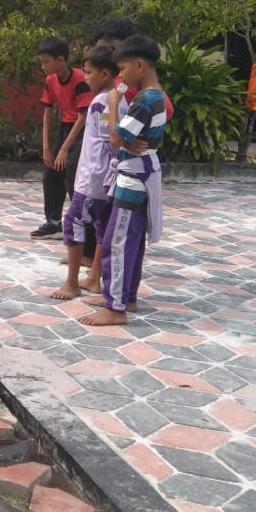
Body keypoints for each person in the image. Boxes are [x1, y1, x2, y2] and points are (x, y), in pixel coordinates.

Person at [81, 36, 167, 326]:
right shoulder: (155, 97)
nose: (121, 76)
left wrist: (115, 104)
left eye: (123, 69)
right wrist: (125, 140)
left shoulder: (145, 100)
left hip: (133, 177)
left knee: (118, 241)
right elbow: (127, 139)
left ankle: (115, 307)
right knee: (132, 240)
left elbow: (118, 137)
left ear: (140, 65)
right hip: (140, 171)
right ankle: (125, 296)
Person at [51, 47, 120, 301]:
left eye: (89, 73)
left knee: (74, 221)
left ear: (104, 73)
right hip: (104, 176)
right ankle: (94, 277)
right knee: (101, 225)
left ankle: (72, 283)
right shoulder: (118, 97)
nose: (86, 77)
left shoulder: (102, 102)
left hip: (94, 176)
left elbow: (109, 140)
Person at [32, 37, 92, 240]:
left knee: (72, 174)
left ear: (60, 60)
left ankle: (81, 225)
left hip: (83, 129)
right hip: (66, 127)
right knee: (51, 173)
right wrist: (46, 148)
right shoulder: (50, 81)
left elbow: (83, 117)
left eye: (46, 61)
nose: (43, 66)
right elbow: (48, 112)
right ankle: (53, 222)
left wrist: (65, 150)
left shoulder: (81, 79)